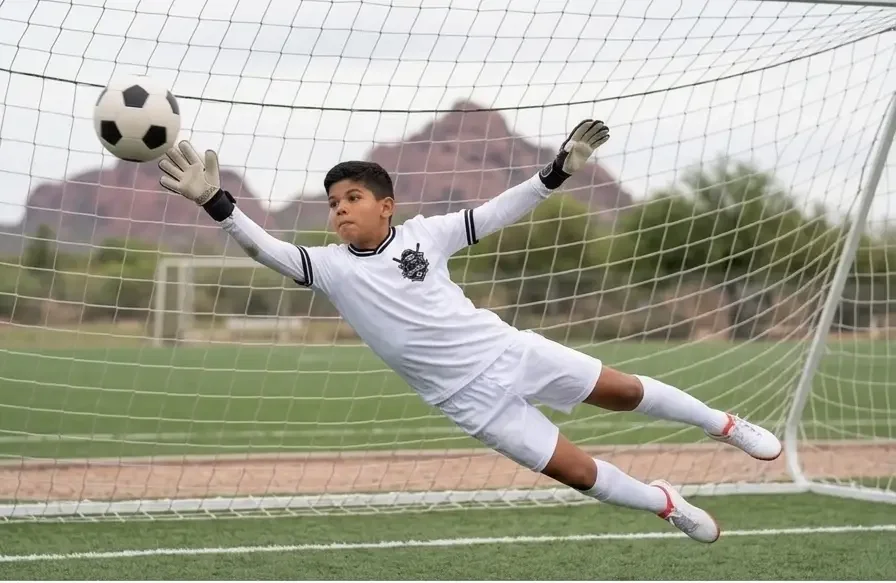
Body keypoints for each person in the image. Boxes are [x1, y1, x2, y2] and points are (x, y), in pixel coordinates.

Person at [158, 119, 781, 543]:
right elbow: (266, 249)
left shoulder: (429, 234)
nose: (339, 209)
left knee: (620, 393)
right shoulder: (327, 266)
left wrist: (556, 173)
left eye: (351, 197)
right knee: (578, 474)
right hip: (467, 401)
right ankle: (667, 504)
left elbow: (499, 211)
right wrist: (218, 204)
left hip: (508, 351)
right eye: (332, 203)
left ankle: (724, 425)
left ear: (386, 204)